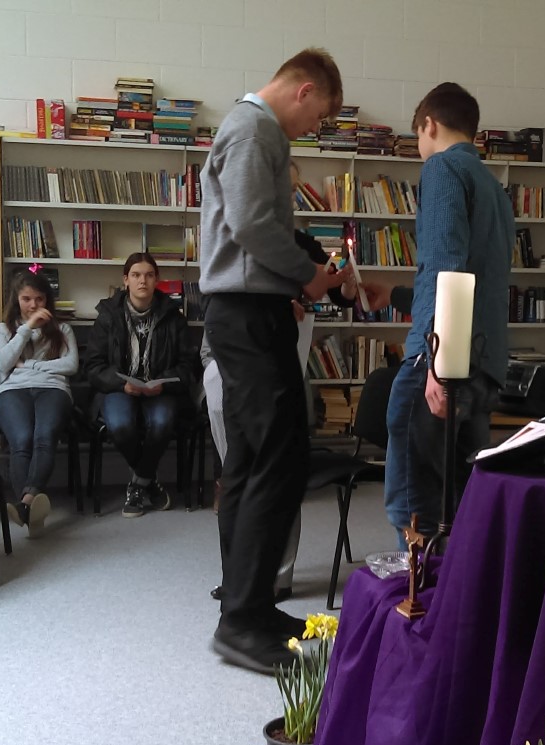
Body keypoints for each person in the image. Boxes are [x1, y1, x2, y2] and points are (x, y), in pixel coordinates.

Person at [200, 47, 349, 673]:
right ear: (303, 90)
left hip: (247, 313)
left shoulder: (253, 130)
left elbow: (263, 227)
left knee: (250, 463)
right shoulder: (254, 129)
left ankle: (250, 608)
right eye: (321, 115)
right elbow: (251, 226)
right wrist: (309, 276)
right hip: (248, 315)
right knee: (277, 461)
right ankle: (242, 621)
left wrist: (310, 267)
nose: (315, 127)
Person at [360, 82, 515, 547]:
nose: (420, 146)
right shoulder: (494, 188)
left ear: (429, 124)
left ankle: (421, 591)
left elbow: (447, 268)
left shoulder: (443, 168)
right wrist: (395, 295)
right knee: (462, 505)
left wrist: (436, 364)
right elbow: (471, 283)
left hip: (441, 361)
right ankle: (457, 590)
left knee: (415, 507)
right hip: (483, 364)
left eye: (417, 136)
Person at [204, 160, 358, 603]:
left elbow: (335, 291)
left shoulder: (300, 243)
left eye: (292, 190)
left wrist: (345, 285)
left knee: (276, 470)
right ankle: (236, 577)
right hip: (235, 365)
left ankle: (278, 577)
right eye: (279, 188)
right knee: (238, 473)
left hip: (278, 365)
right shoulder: (234, 237)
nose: (286, 198)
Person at [82, 252, 199, 518]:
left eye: (148, 275)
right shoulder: (108, 316)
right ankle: (149, 481)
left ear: (157, 279)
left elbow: (188, 365)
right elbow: (93, 366)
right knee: (120, 425)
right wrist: (121, 384)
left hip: (160, 389)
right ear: (126, 280)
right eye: (135, 275)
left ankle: (137, 485)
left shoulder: (174, 317)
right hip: (119, 388)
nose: (142, 281)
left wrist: (164, 384)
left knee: (162, 422)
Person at [0, 269, 78, 538]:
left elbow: (71, 365)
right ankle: (31, 509)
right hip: (12, 391)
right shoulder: (2, 330)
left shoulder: (62, 329)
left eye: (39, 299)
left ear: (47, 300)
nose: (33, 305)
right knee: (21, 439)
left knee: (44, 435)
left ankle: (25, 504)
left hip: (53, 389)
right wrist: (27, 328)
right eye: (26, 299)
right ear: (16, 300)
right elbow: (2, 365)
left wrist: (28, 365)